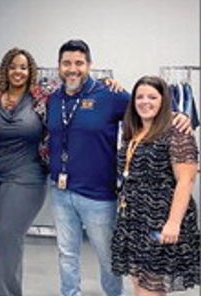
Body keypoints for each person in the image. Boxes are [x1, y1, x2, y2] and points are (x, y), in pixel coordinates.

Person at [47, 39, 190, 296]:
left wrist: (179, 114)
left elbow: (147, 105)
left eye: (79, 63)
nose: (72, 69)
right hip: (60, 192)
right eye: (66, 63)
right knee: (66, 254)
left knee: (107, 258)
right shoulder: (53, 99)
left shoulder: (109, 95)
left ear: (89, 65)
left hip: (98, 196)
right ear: (59, 66)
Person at [111, 76, 200, 295]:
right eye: (139, 97)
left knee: (150, 289)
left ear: (164, 101)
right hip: (134, 220)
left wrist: (173, 223)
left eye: (152, 97)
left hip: (161, 218)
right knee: (139, 284)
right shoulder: (133, 131)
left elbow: (186, 180)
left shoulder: (176, 130)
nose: (145, 102)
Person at [0, 48, 48, 296]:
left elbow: (75, 95)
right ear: (5, 69)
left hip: (27, 175)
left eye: (24, 67)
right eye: (13, 66)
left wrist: (108, 84)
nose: (18, 72)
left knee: (8, 236)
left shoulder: (42, 98)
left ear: (31, 72)